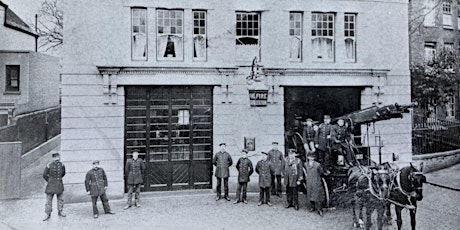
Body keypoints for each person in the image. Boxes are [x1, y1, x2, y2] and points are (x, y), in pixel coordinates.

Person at [42, 152, 66, 221]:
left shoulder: (62, 165)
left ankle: (60, 211)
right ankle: (47, 213)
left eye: (58, 157)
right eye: (55, 157)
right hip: (51, 185)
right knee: (48, 200)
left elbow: (63, 173)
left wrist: (58, 180)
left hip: (59, 184)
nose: (57, 158)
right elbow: (44, 175)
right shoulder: (49, 165)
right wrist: (50, 181)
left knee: (60, 199)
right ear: (53, 158)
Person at [305, 151, 326, 217]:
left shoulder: (317, 165)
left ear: (314, 158)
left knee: (318, 196)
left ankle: (320, 209)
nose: (311, 158)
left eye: (312, 157)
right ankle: (312, 207)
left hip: (316, 181)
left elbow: (321, 173)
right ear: (308, 157)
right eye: (310, 157)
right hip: (309, 182)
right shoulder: (306, 164)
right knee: (310, 194)